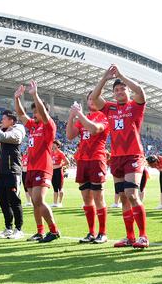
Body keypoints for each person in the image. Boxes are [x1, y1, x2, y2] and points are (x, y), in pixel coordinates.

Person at [91, 64, 148, 248]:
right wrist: (104, 78)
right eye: (116, 90)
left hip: (133, 155)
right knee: (123, 196)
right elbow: (94, 98)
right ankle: (130, 237)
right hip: (116, 158)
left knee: (132, 194)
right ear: (113, 94)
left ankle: (143, 236)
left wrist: (122, 76)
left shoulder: (135, 106)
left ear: (127, 91)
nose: (120, 91)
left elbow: (140, 91)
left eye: (122, 88)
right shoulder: (110, 108)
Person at [15, 81, 61, 243]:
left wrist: (35, 95)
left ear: (44, 112)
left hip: (43, 168)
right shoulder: (34, 127)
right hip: (32, 168)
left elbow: (43, 113)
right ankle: (40, 231)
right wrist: (17, 98)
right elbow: (21, 115)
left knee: (39, 200)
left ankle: (54, 230)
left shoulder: (49, 126)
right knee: (35, 202)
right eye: (33, 112)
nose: (34, 115)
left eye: (36, 112)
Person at [66, 94, 110, 243]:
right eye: (89, 99)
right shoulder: (82, 118)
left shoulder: (103, 116)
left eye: (94, 99)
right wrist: (71, 117)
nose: (92, 101)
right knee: (86, 198)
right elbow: (70, 136)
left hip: (97, 159)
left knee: (98, 197)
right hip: (82, 160)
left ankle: (102, 233)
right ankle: (91, 232)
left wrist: (78, 115)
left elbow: (93, 129)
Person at [0, 108, 27, 239]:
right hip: (1, 173)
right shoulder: (1, 132)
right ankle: (8, 227)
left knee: (14, 201)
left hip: (13, 172)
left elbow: (2, 137)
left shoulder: (16, 132)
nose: (1, 121)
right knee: (3, 202)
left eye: (3, 119)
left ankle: (18, 229)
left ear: (11, 121)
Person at [51, 140, 69, 207]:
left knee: (60, 188)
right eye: (52, 144)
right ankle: (55, 203)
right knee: (55, 188)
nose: (52, 145)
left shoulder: (60, 153)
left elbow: (67, 162)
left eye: (54, 144)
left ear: (58, 145)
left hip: (59, 171)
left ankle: (60, 203)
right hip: (52, 172)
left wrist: (60, 165)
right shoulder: (51, 152)